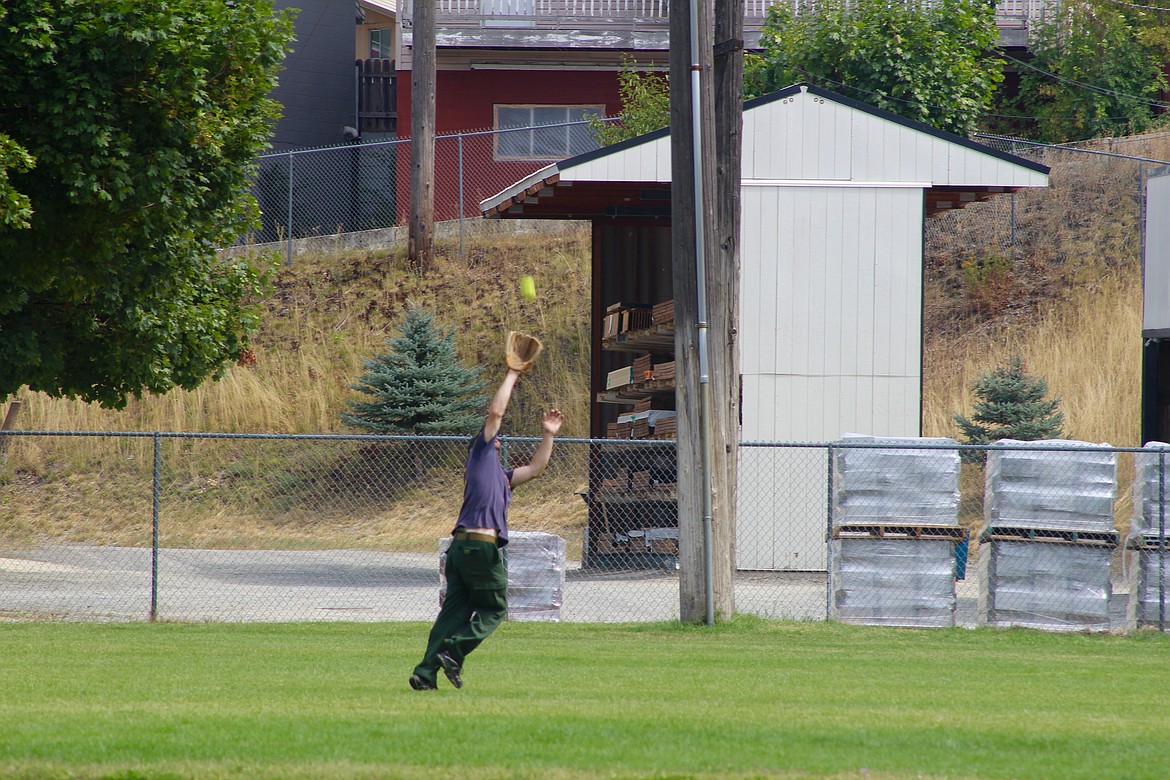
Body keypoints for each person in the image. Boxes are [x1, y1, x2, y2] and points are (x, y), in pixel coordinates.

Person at [410, 364, 564, 691]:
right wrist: (512, 374)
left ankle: (424, 674)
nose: (498, 441)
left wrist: (548, 434)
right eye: (495, 440)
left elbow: (536, 468)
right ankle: (454, 651)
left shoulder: (502, 478)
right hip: (481, 548)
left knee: (452, 615)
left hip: (461, 551)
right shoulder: (479, 454)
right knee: (494, 609)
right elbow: (495, 413)